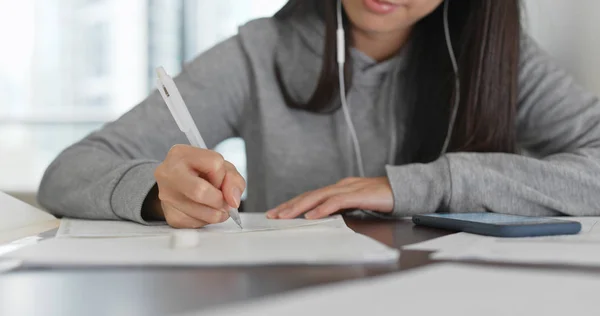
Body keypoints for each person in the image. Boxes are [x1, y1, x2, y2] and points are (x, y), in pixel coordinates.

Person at [38, 0, 600, 229]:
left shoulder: (499, 60)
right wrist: (158, 194)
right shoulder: (258, 53)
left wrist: (422, 185)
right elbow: (69, 171)